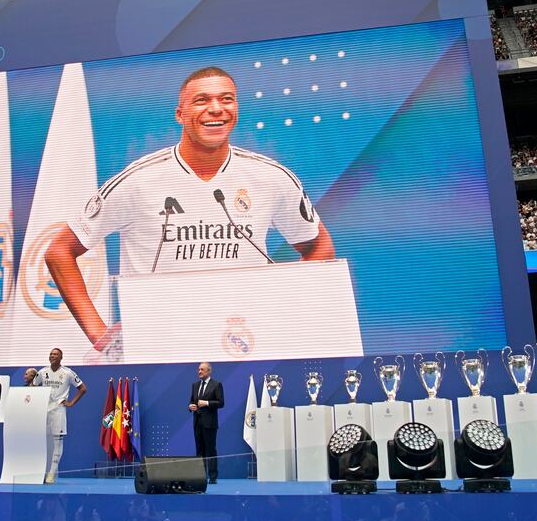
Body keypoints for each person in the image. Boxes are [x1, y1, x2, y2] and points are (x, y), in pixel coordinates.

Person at [45, 66, 335, 357]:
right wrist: (100, 335)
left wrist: (277, 307)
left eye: (227, 99)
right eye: (202, 100)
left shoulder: (270, 177)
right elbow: (59, 251)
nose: (216, 109)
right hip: (160, 345)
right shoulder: (137, 181)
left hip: (243, 343)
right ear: (179, 114)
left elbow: (319, 245)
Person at [32, 348, 86, 484]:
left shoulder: (67, 373)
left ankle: (51, 473)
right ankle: (41, 472)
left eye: (55, 354)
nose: (52, 356)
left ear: (61, 357)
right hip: (43, 411)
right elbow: (32, 387)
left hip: (58, 411)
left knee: (57, 441)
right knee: (43, 442)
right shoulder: (42, 372)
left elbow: (83, 388)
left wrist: (71, 402)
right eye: (50, 354)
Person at [188, 361, 224, 484]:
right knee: (199, 450)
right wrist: (191, 406)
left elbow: (220, 403)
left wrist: (207, 403)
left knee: (210, 450)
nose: (199, 371)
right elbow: (192, 402)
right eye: (198, 369)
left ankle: (213, 477)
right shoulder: (195, 385)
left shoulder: (216, 385)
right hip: (197, 422)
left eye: (202, 369)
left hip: (210, 423)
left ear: (209, 371)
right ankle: (200, 476)